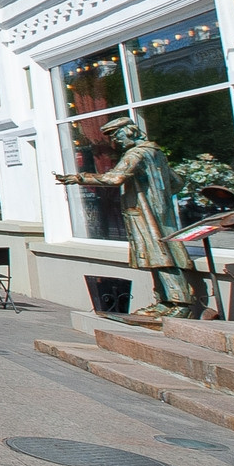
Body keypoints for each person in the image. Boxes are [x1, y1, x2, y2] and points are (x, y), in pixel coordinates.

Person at [57, 116, 212, 317]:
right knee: (156, 256)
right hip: (159, 212)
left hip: (144, 212)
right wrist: (158, 193)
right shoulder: (156, 153)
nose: (117, 141)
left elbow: (115, 178)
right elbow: (177, 182)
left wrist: (79, 178)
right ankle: (164, 302)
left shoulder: (136, 154)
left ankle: (179, 303)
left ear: (129, 131)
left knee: (160, 255)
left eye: (118, 135)